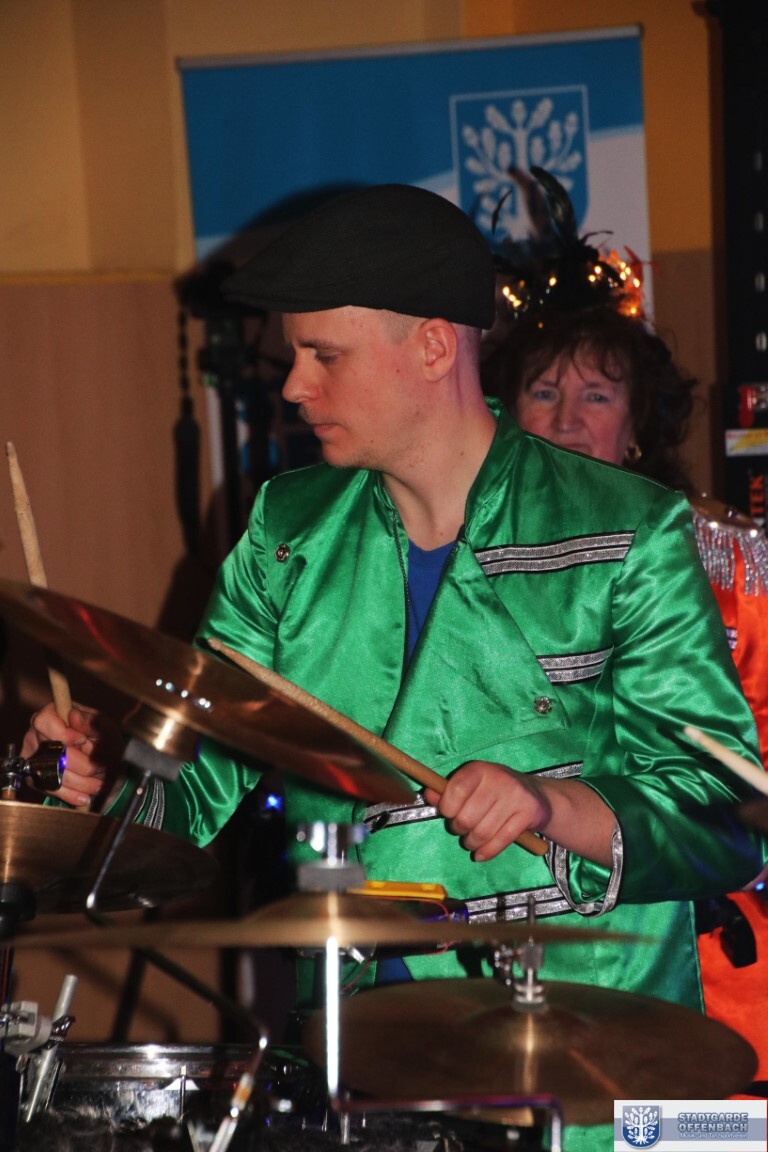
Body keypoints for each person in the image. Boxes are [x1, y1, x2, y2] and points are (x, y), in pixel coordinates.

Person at [20, 184, 766, 1148]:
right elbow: (191, 783)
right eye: (296, 356)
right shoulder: (286, 536)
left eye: (323, 355)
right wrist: (93, 786)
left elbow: (724, 821)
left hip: (592, 1060)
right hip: (362, 1053)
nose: (294, 387)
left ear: (434, 348)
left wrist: (550, 806)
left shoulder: (628, 530)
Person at [485, 287, 768, 1084]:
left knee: (684, 1128)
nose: (566, 418)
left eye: (597, 396)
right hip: (519, 942)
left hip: (706, 946)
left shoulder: (728, 562)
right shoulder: (459, 552)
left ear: (637, 427)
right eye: (544, 392)